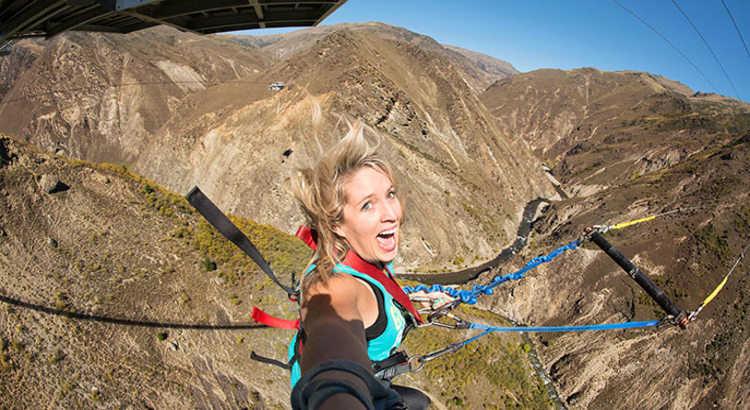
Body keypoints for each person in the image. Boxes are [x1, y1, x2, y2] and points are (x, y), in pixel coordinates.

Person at [285, 120, 452, 409]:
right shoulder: (333, 288)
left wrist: (413, 300)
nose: (391, 214)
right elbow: (331, 335)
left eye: (390, 195)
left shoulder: (356, 256)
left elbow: (371, 306)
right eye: (367, 205)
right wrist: (336, 394)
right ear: (336, 223)